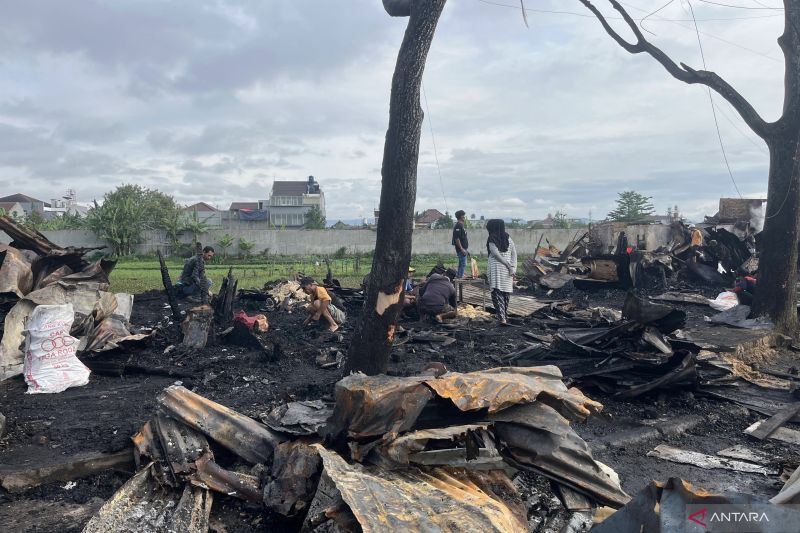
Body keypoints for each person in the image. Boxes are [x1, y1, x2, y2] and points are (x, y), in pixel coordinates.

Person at [486, 219, 517, 326]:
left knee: (496, 292)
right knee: (505, 293)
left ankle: (502, 318)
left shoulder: (492, 238)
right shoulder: (509, 238)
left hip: (496, 269)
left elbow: (495, 254)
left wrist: (509, 266)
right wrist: (512, 268)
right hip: (507, 270)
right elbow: (514, 255)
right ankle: (504, 316)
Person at [452, 210, 469, 278]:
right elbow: (457, 238)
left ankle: (459, 277)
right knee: (463, 264)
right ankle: (460, 278)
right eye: (463, 216)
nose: (464, 217)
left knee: (461, 264)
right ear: (461, 216)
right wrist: (462, 249)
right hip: (461, 249)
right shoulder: (458, 225)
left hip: (464, 248)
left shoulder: (461, 225)